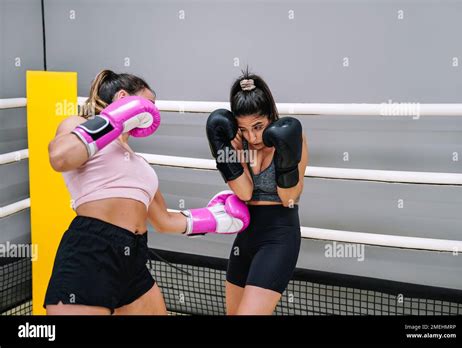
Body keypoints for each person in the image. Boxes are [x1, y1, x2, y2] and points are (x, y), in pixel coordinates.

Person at [44, 70, 249, 315]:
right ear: (123, 98)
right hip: (93, 250)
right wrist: (115, 118)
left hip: (134, 257)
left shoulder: (138, 162)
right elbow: (60, 158)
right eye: (148, 103)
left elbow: (164, 220)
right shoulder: (78, 125)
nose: (152, 112)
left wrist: (216, 219)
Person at [206, 72, 308, 315]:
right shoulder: (240, 142)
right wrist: (230, 156)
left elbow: (289, 198)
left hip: (279, 236)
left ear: (270, 115)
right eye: (244, 129)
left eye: (258, 127)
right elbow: (244, 191)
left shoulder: (292, 138)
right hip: (246, 235)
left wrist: (285, 158)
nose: (252, 136)